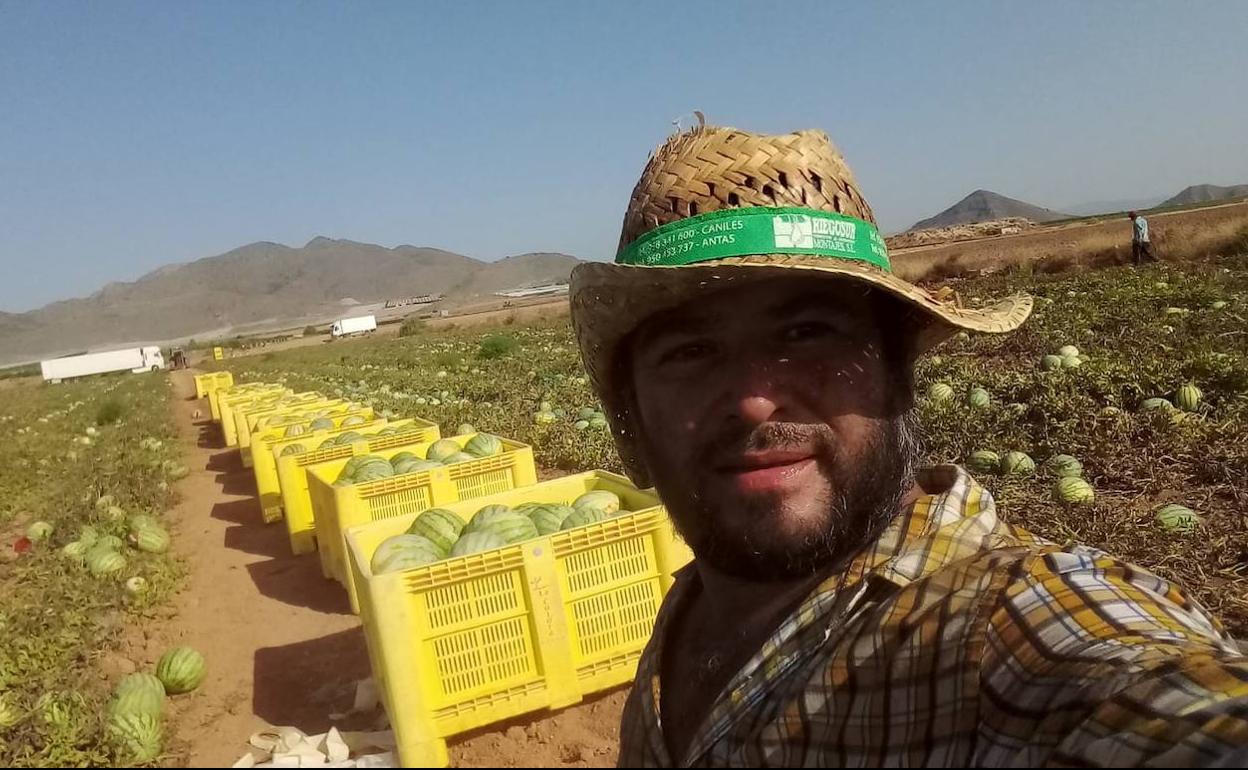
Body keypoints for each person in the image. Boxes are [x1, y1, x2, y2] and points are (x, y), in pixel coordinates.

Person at [568, 124, 1248, 767]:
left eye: (806, 332)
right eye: (690, 351)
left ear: (898, 370)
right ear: (632, 410)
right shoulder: (691, 609)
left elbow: (1161, 700)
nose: (752, 400)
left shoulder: (998, 635)